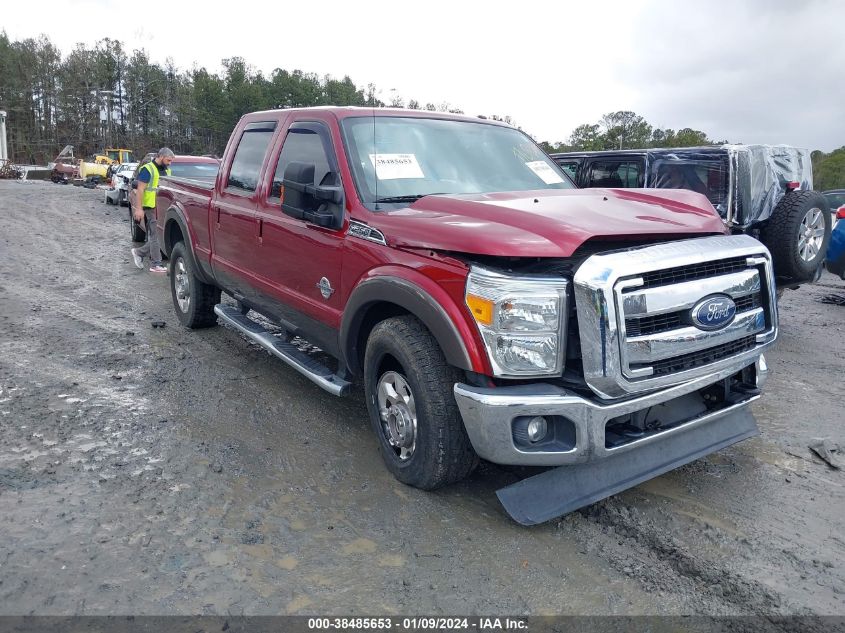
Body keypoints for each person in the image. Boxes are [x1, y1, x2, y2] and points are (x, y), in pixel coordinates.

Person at [130, 148, 174, 274]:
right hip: (150, 207)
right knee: (155, 235)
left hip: (163, 207)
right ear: (160, 157)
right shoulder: (148, 169)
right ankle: (156, 264)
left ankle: (139, 252)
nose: (170, 163)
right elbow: (140, 190)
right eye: (168, 160)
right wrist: (139, 209)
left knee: (159, 235)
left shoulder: (167, 170)